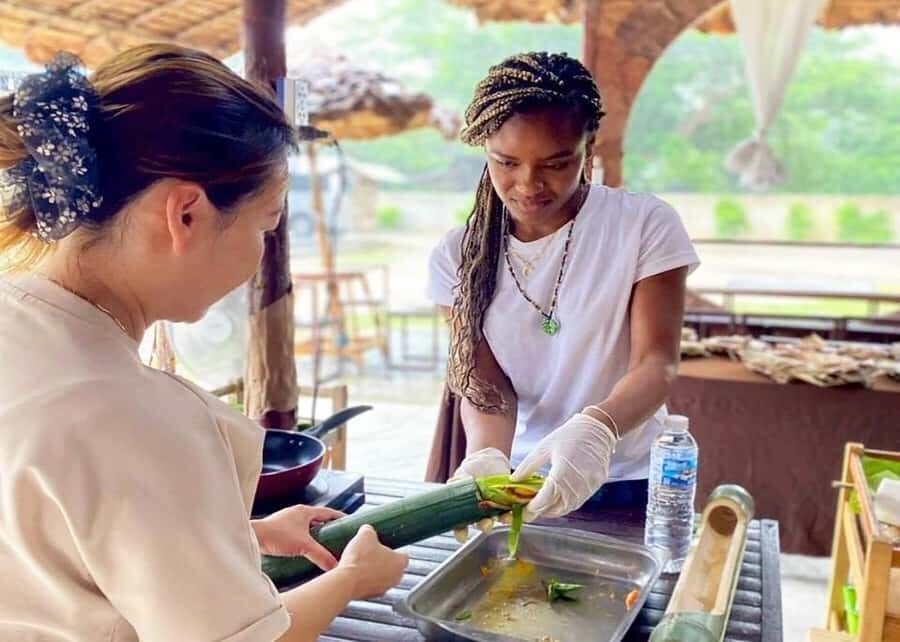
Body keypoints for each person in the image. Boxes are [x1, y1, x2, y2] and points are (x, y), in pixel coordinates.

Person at [0, 45, 407, 642]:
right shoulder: (131, 417)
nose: (261, 251)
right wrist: (352, 577)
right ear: (185, 213)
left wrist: (243, 533)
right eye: (265, 225)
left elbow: (59, 539)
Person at [428, 52, 699, 522]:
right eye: (506, 162)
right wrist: (487, 456)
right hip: (521, 477)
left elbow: (657, 361)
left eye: (555, 163)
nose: (527, 184)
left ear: (588, 150)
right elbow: (484, 380)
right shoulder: (457, 256)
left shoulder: (644, 226)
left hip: (627, 477)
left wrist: (597, 429)